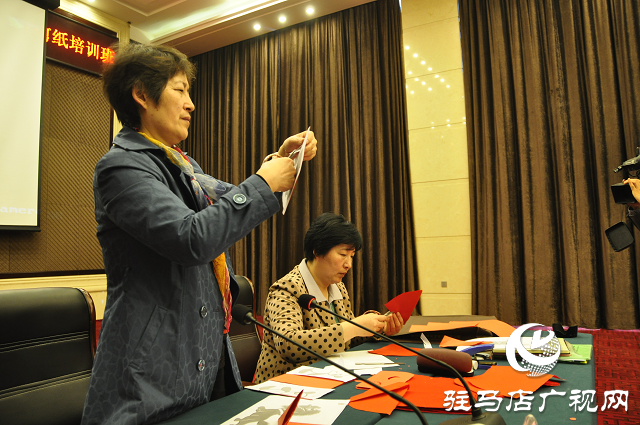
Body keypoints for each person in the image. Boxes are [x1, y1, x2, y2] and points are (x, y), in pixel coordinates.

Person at [81, 43, 317, 425]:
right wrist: (262, 182)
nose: (191, 104)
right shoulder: (121, 167)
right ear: (142, 94)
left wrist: (280, 162)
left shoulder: (183, 163)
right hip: (150, 376)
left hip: (203, 359)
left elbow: (231, 202)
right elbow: (192, 239)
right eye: (180, 90)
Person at [254, 212, 404, 383]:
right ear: (318, 251)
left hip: (330, 378)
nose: (348, 264)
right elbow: (288, 345)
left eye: (352, 256)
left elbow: (346, 340)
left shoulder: (337, 286)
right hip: (286, 385)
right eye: (343, 255)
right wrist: (354, 327)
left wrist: (377, 327)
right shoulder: (286, 288)